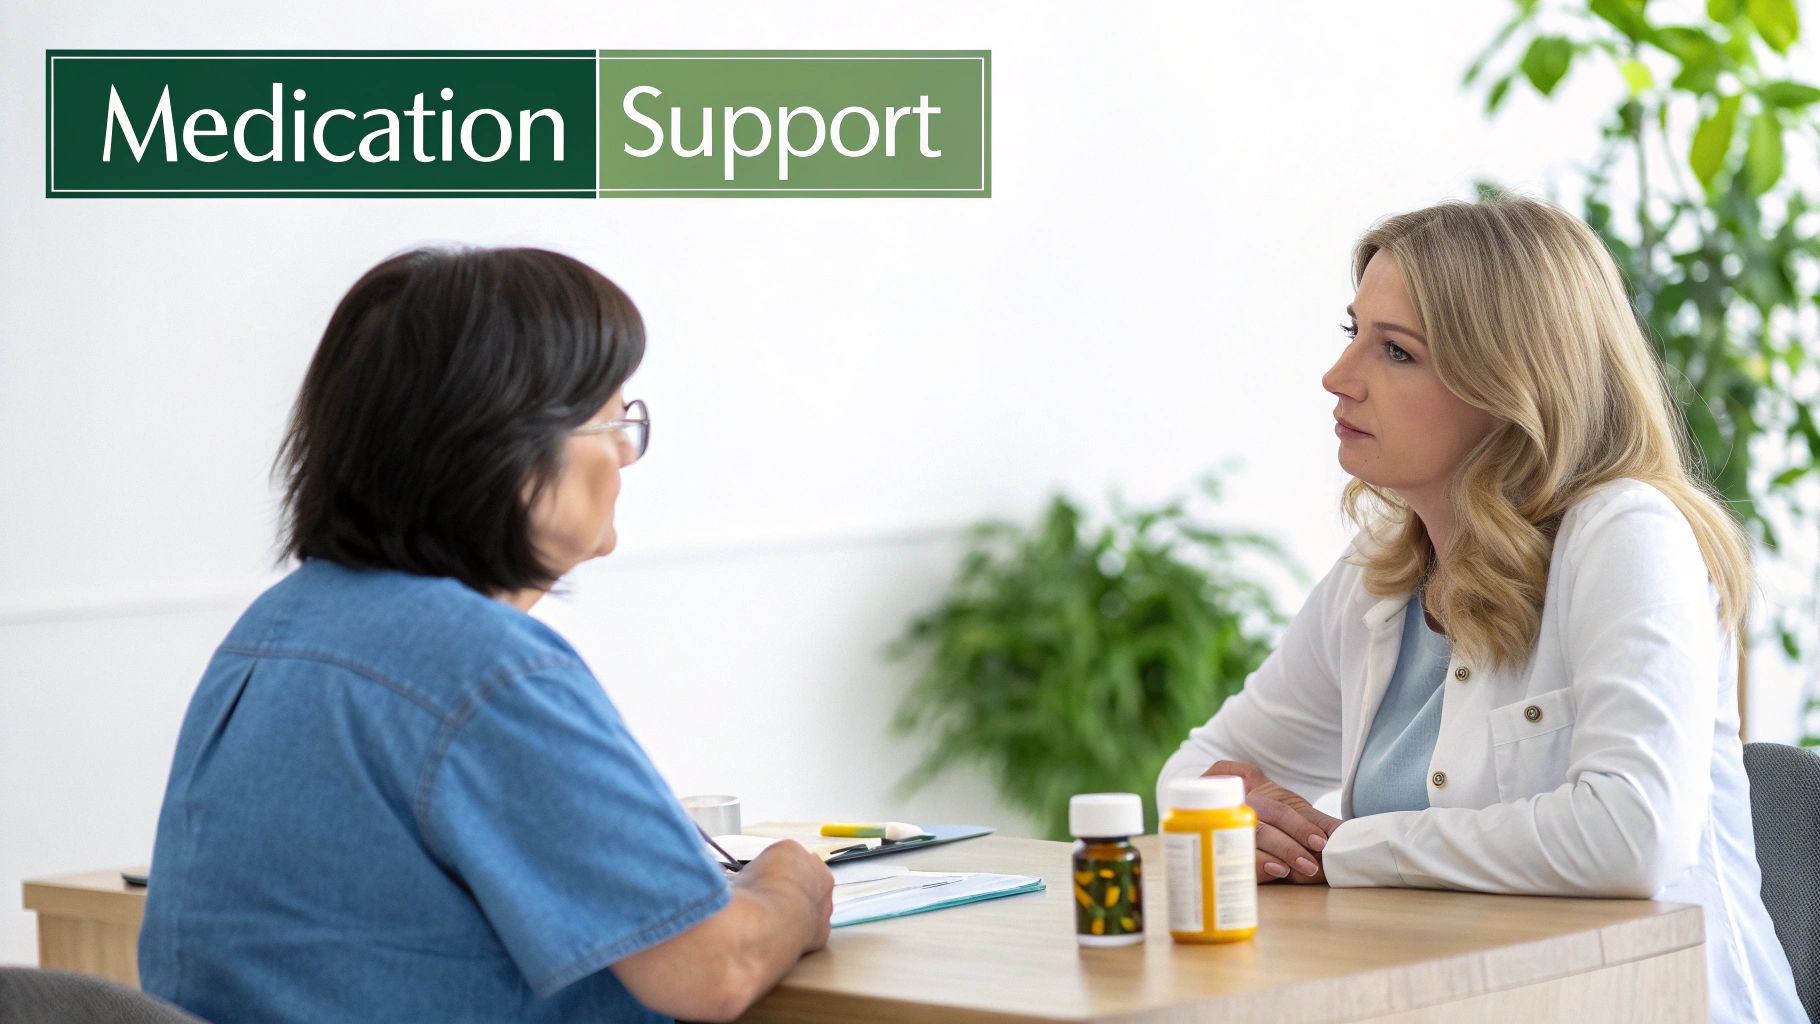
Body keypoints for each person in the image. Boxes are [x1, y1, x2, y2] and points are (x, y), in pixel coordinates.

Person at [138, 246, 833, 1024]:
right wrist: (790, 887)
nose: (625, 457)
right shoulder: (484, 667)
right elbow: (714, 968)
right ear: (505, 449)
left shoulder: (274, 628)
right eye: (612, 418)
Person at [1156, 193, 1804, 1023]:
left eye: (1395, 352)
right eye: (1352, 333)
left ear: (1509, 385)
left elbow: (1632, 836)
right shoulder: (1376, 577)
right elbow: (1198, 771)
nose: (1338, 378)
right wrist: (1233, 818)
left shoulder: (1625, 533)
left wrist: (1338, 848)